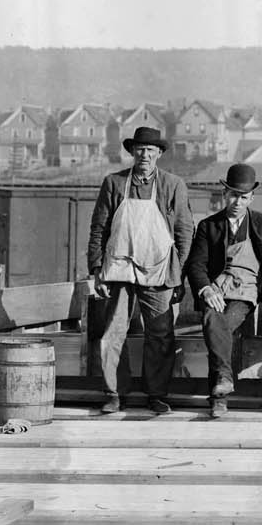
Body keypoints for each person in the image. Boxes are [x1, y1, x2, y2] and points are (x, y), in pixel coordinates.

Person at [86, 125, 195, 415]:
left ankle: (156, 393)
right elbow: (99, 228)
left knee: (160, 334)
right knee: (113, 331)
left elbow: (185, 232)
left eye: (150, 150)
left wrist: (178, 273)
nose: (145, 155)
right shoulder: (114, 183)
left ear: (159, 153)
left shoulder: (173, 185)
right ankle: (113, 393)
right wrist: (97, 268)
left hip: (158, 270)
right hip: (119, 268)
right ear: (132, 152)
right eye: (140, 149)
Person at [185, 163, 262, 419]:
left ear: (251, 198)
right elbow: (196, 265)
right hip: (218, 288)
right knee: (213, 318)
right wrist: (207, 289)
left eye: (243, 197)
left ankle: (219, 392)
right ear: (225, 194)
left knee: (219, 327)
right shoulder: (209, 226)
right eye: (233, 194)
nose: (237, 201)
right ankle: (221, 387)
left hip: (247, 291)